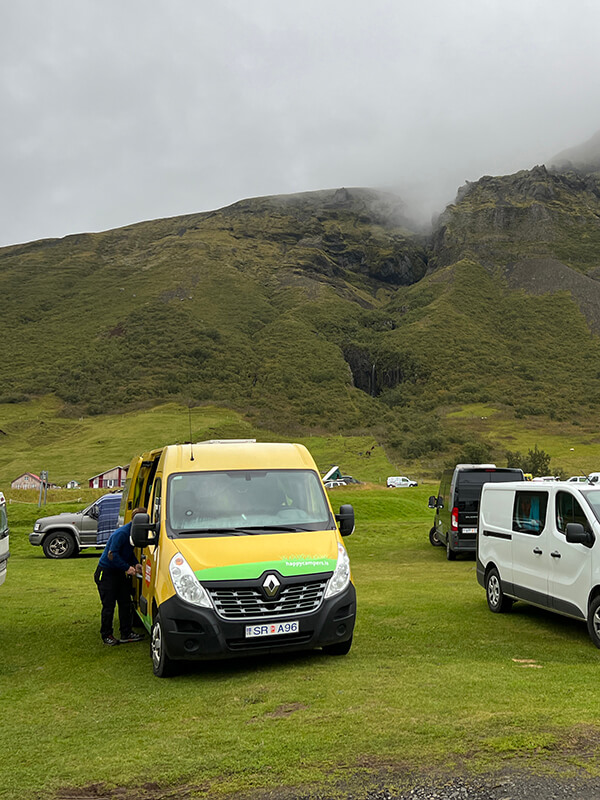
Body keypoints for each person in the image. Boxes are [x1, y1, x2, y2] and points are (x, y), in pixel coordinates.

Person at [94, 507, 146, 646]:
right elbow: (112, 555)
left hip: (118, 573)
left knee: (125, 603)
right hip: (107, 572)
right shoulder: (122, 533)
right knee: (108, 606)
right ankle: (107, 635)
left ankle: (126, 633)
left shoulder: (134, 533)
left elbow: (128, 553)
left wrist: (135, 564)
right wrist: (127, 568)